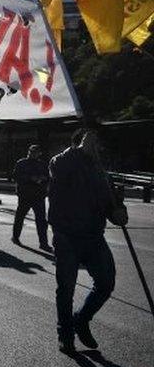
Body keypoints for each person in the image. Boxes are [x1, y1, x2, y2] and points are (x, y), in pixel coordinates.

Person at [49, 129, 126, 354]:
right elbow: (58, 169)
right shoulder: (61, 162)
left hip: (93, 236)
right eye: (91, 143)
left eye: (98, 144)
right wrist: (79, 150)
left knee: (106, 283)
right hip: (67, 236)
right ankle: (65, 333)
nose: (96, 148)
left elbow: (112, 203)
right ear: (79, 143)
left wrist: (119, 213)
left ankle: (81, 319)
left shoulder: (101, 172)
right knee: (66, 288)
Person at [12, 144, 51, 250]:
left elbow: (48, 177)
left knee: (41, 221)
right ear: (28, 152)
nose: (34, 154)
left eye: (36, 152)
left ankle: (43, 243)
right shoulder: (21, 163)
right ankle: (15, 237)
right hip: (25, 194)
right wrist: (30, 178)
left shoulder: (42, 164)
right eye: (32, 151)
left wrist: (42, 179)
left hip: (38, 195)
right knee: (20, 217)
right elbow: (16, 176)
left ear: (39, 153)